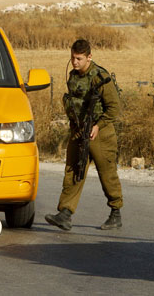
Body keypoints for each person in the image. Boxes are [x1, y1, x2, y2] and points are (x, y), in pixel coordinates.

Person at [45, 39, 123, 231]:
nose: (75, 62)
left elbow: (114, 108)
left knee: (107, 174)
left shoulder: (100, 77)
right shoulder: (73, 76)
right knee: (73, 171)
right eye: (72, 58)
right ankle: (65, 213)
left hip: (100, 133)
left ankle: (115, 212)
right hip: (79, 131)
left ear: (89, 57)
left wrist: (99, 125)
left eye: (79, 58)